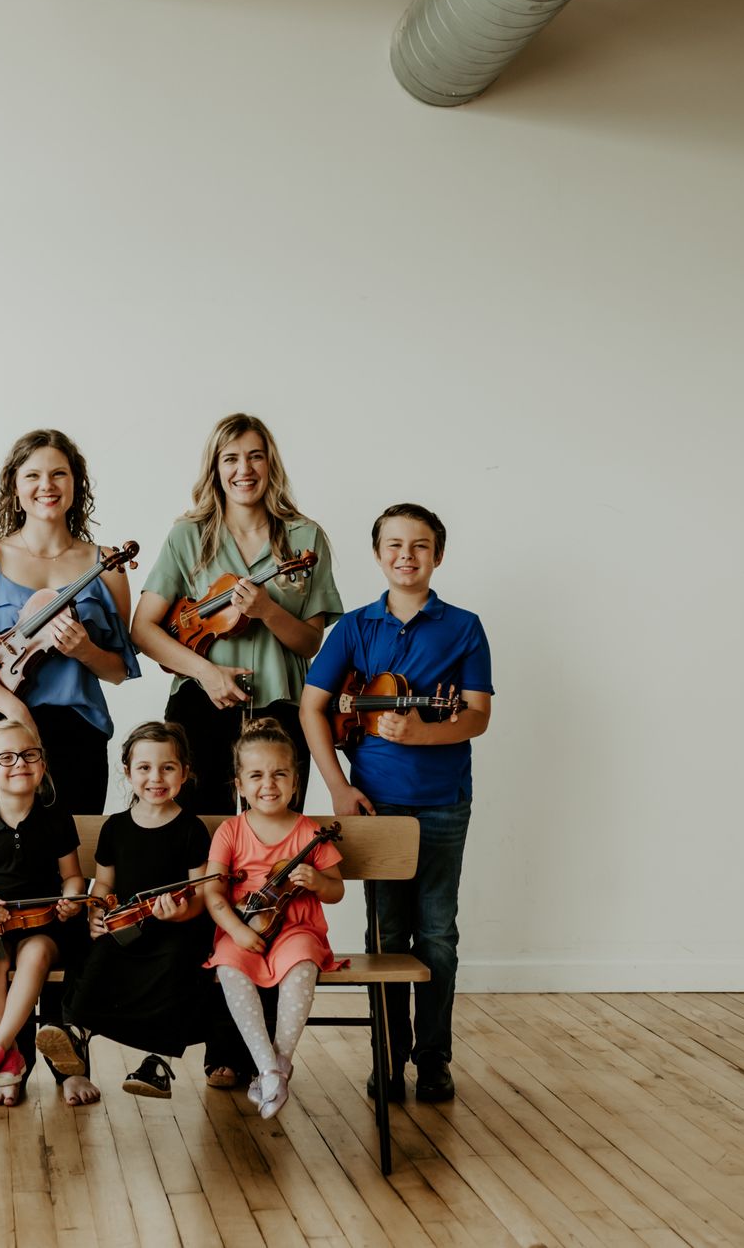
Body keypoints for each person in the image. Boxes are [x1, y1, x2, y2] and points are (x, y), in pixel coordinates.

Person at [129, 414, 342, 1091]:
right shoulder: (189, 536)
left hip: (278, 712)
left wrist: (268, 611)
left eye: (255, 457)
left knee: (269, 873)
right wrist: (206, 673)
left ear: (270, 464)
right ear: (214, 467)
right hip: (201, 709)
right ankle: (185, 1040)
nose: (243, 469)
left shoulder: (305, 539)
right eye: (230, 459)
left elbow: (314, 644)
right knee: (201, 869)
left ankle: (248, 1054)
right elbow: (144, 629)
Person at [0, 428, 135, 1105]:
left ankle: (66, 1051)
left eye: (59, 474)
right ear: (14, 487)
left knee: (68, 882)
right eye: (32, 476)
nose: (46, 486)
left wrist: (83, 650)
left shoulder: (105, 563)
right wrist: (9, 710)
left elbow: (121, 667)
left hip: (76, 734)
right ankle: (7, 1052)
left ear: (77, 484)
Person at [300, 504, 492, 1103]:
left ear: (438, 554)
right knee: (386, 935)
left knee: (437, 934)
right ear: (379, 553)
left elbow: (478, 715)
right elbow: (314, 707)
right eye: (394, 545)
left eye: (420, 545)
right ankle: (387, 1057)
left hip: (442, 803)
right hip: (375, 807)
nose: (406, 555)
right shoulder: (355, 627)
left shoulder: (464, 626)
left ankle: (433, 1058)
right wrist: (337, 787)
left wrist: (420, 734)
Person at [42, 722, 217, 1099]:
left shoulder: (192, 830)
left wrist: (180, 914)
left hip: (176, 930)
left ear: (184, 773)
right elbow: (104, 886)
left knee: (177, 961)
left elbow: (202, 895)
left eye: (168, 767)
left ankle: (158, 1062)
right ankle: (76, 1034)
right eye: (144, 768)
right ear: (127, 772)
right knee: (98, 955)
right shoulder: (116, 828)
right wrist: (97, 911)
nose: (156, 777)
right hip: (128, 928)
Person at [200, 718, 344, 1120]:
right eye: (257, 775)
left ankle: (277, 1064)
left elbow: (336, 890)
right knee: (228, 966)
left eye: (280, 774)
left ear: (295, 782)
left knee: (302, 962)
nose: (269, 784)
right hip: (242, 927)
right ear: (240, 785)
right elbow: (213, 892)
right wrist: (235, 931)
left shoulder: (308, 832)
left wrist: (317, 881)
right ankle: (267, 1065)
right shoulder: (230, 831)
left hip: (296, 928)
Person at [0, 720, 89, 1108]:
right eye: (6, 757)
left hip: (43, 926)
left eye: (29, 755)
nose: (20, 763)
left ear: (42, 766)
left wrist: (73, 898)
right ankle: (10, 1061)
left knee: (37, 955)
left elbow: (73, 877)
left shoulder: (56, 818)